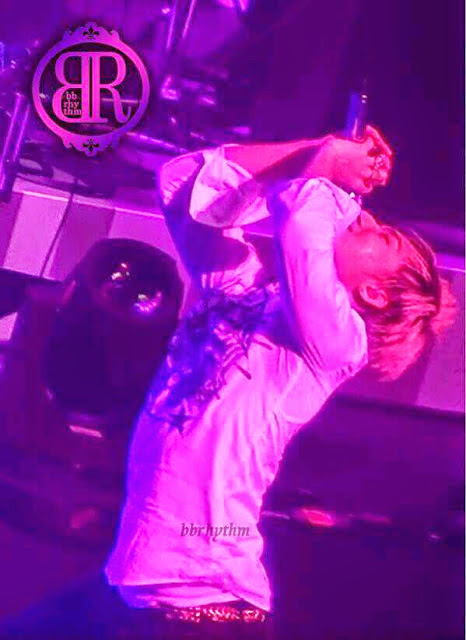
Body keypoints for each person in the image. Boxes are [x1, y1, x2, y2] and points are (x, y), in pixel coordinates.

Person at [0, 128, 455, 640]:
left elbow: (302, 222)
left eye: (382, 238)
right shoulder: (243, 290)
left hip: (202, 610)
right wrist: (310, 151)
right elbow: (183, 185)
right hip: (135, 592)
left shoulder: (337, 344)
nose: (366, 220)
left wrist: (331, 168)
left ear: (373, 294)